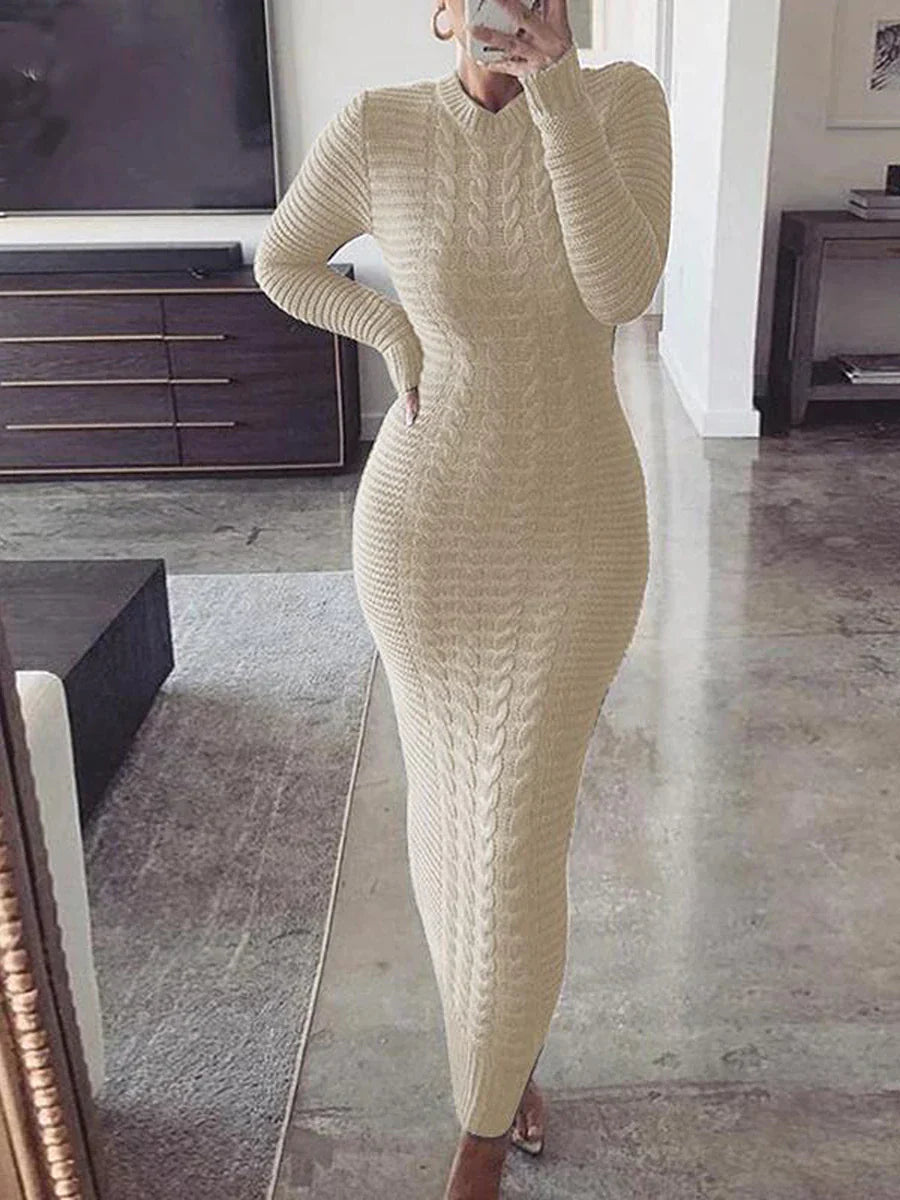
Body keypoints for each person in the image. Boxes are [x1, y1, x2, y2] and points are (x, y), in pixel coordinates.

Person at [253, 1, 672, 1196]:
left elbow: (620, 290)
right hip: (424, 530)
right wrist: (390, 331)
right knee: (450, 819)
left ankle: (480, 1129)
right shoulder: (378, 127)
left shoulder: (621, 102)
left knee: (514, 832)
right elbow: (283, 259)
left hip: (577, 530)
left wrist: (557, 95)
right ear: (441, 10)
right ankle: (500, 1057)